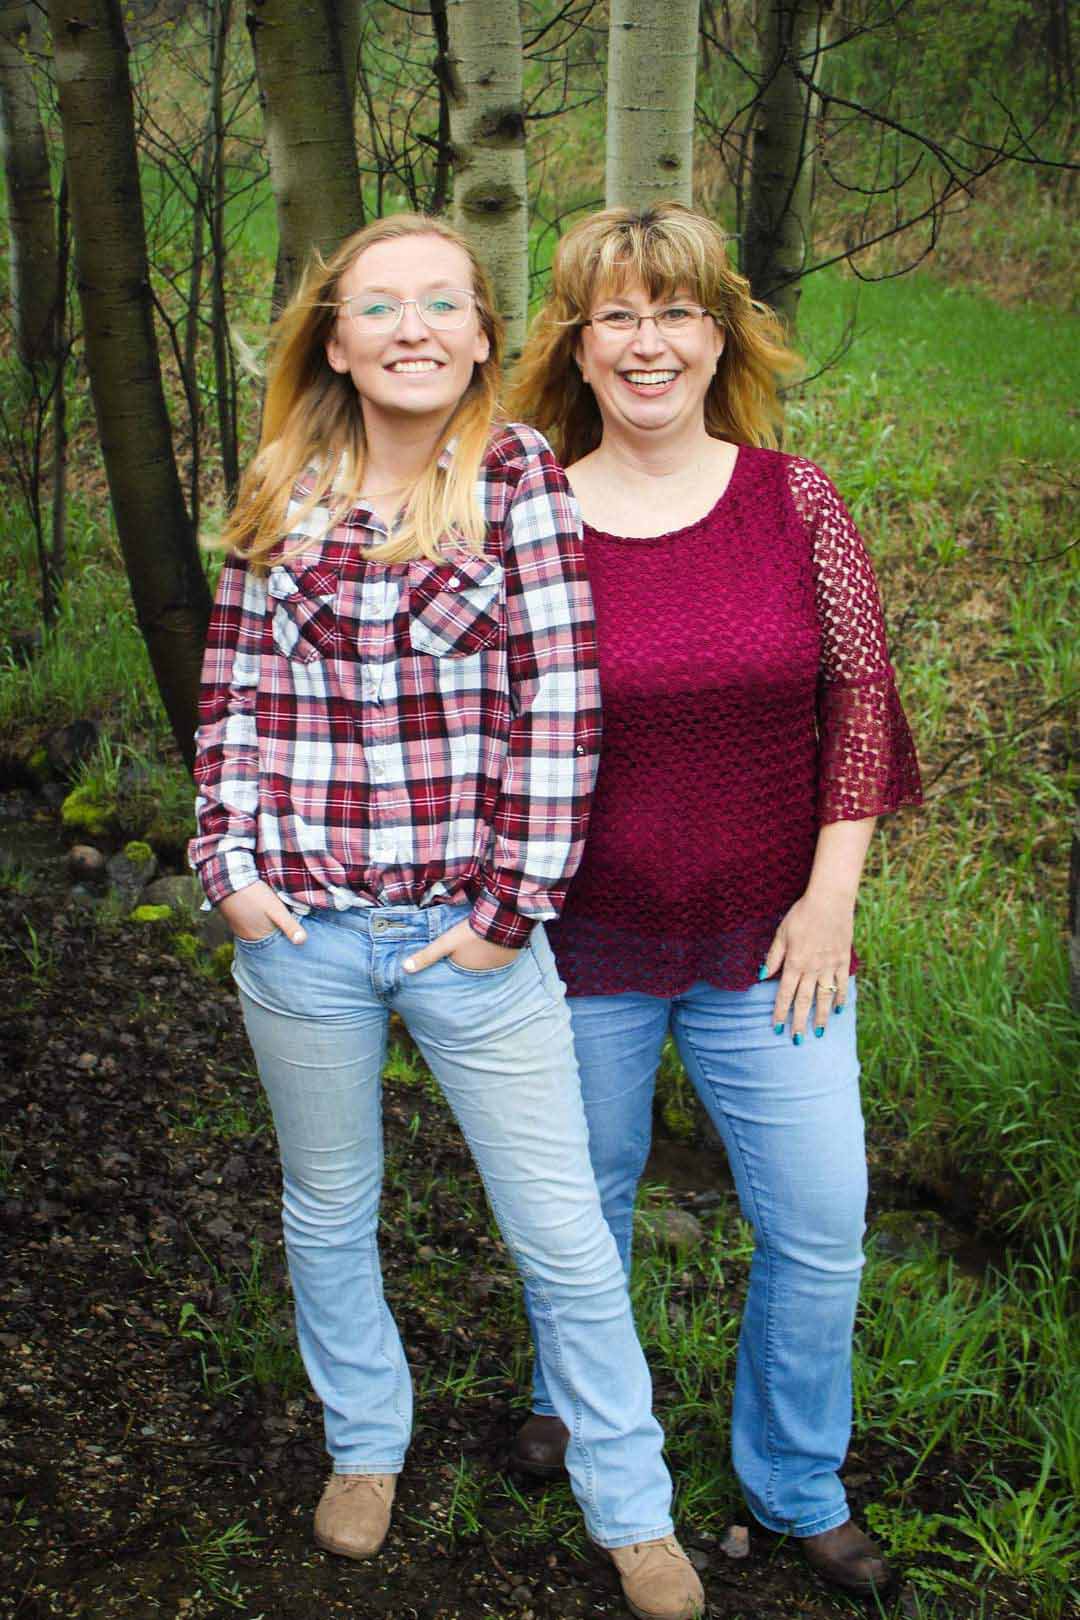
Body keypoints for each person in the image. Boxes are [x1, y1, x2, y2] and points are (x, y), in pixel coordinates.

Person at [189, 212, 705, 1620]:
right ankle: (365, 1446)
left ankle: (631, 1505)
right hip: (298, 932)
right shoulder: (279, 480)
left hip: (465, 939)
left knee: (559, 1230)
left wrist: (507, 909)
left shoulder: (515, 473)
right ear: (337, 340)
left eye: (441, 304)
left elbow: (561, 703)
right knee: (330, 1210)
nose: (411, 327)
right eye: (378, 306)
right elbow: (231, 690)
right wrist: (226, 865)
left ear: (483, 336)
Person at [494, 201, 922, 1596]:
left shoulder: (793, 500)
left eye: (675, 311)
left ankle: (794, 1485)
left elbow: (861, 695)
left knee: (818, 1218)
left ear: (718, 331)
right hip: (578, 943)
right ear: (578, 342)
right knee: (583, 1208)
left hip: (769, 942)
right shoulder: (529, 516)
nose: (649, 341)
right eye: (617, 314)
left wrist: (831, 896)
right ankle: (577, 1399)